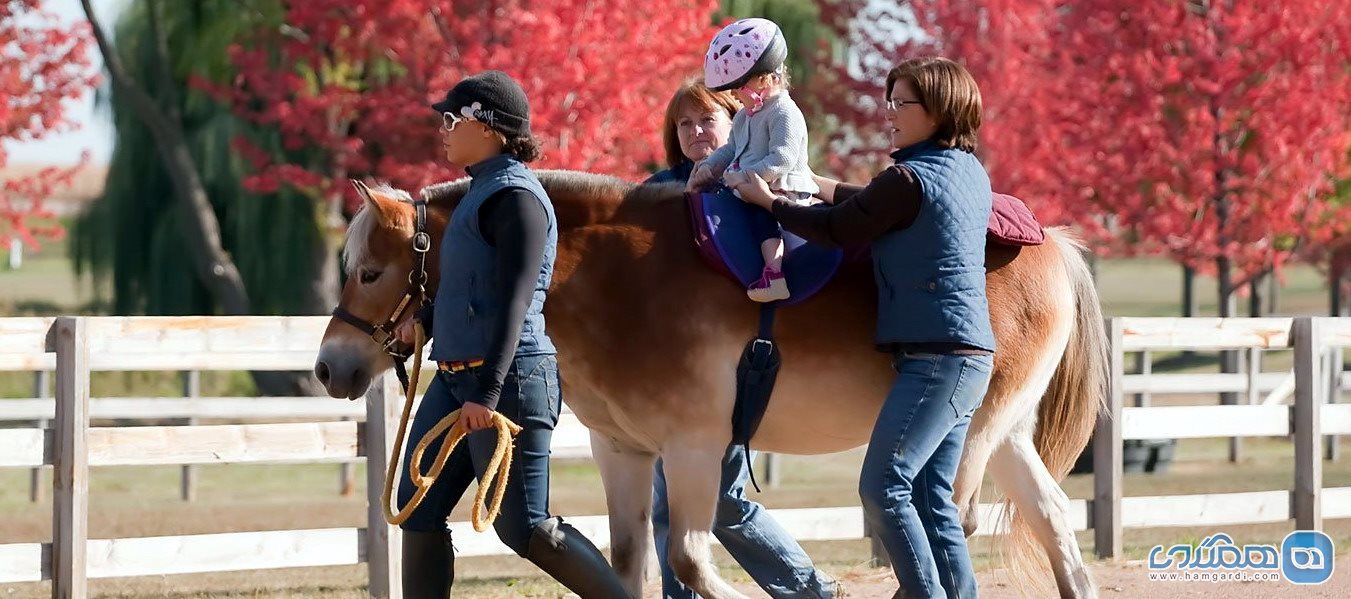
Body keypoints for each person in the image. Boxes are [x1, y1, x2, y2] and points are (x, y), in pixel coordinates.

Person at [726, 57, 995, 599]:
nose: (889, 113)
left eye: (902, 103)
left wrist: (770, 201)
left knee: (884, 487)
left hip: (935, 359)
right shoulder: (964, 169)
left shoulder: (908, 177)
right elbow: (877, 207)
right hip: (968, 358)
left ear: (938, 109)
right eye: (888, 100)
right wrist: (820, 184)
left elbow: (841, 230)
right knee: (930, 497)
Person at [392, 70, 629, 599]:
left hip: (508, 380)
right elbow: (467, 288)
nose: (444, 130)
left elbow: (516, 304)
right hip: (457, 379)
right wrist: (424, 324)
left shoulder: (516, 198)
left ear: (492, 128)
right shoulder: (482, 193)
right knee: (419, 507)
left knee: (524, 527)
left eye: (454, 119)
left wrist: (488, 393)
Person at [645, 79, 840, 599]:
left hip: (738, 363)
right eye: (683, 124)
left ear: (738, 126)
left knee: (717, 499)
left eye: (706, 120)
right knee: (674, 499)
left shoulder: (765, 192)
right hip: (671, 368)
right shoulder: (657, 194)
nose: (694, 132)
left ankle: (810, 590)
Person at [686, 17, 819, 303]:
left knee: (761, 216)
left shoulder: (784, 113)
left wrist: (744, 177)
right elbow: (731, 149)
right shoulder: (746, 116)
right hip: (747, 183)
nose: (733, 94)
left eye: (738, 86)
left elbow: (781, 159)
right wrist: (710, 168)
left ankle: (774, 273)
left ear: (763, 79)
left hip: (782, 189)